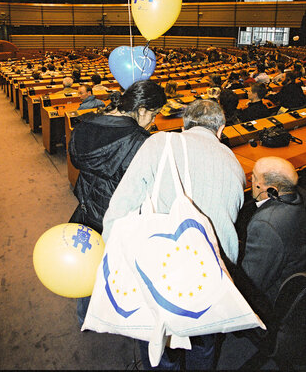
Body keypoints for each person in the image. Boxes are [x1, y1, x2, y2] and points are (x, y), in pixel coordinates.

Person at [103, 99, 246, 370]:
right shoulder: (233, 161)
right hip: (215, 273)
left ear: (184, 124)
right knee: (203, 344)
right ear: (221, 129)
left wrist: (111, 259)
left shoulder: (159, 143)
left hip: (163, 267)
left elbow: (121, 205)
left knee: (160, 345)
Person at [68, 80, 167, 326]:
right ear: (141, 108)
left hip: (86, 205)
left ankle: (84, 316)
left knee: (86, 265)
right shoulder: (140, 140)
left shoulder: (85, 122)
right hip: (116, 215)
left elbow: (76, 160)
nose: (153, 121)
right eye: (153, 114)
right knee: (112, 267)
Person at [236, 156, 306, 322]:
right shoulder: (301, 196)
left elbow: (251, 281)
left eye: (254, 177)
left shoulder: (266, 224)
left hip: (276, 301)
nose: (250, 180)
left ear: (271, 190)